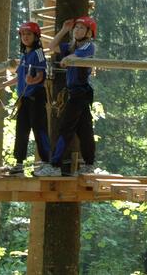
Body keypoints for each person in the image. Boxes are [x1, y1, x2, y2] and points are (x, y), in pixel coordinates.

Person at [34, 16, 98, 177]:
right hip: (75, 94)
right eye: (76, 28)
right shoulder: (71, 46)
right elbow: (51, 46)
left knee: (66, 128)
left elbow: (75, 57)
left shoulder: (89, 46)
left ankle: (55, 165)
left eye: (81, 28)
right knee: (84, 130)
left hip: (80, 93)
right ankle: (89, 164)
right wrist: (64, 30)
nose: (77, 30)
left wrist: (68, 58)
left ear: (89, 33)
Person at [0, 22, 50, 175]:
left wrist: (32, 81)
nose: (25, 37)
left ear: (36, 36)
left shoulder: (39, 53)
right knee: (21, 130)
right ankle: (19, 164)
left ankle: (48, 163)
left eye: (29, 34)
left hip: (36, 97)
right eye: (23, 34)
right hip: (24, 99)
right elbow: (19, 77)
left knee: (39, 129)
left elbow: (42, 76)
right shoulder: (24, 56)